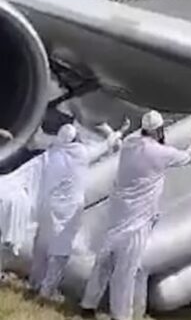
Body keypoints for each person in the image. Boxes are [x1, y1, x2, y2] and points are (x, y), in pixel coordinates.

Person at [80, 110, 191, 320]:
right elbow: (187, 158)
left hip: (117, 216)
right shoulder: (161, 153)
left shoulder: (130, 144)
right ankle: (120, 316)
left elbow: (143, 138)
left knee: (103, 264)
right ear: (158, 131)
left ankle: (88, 305)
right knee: (125, 273)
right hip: (138, 222)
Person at [29, 120, 129, 300]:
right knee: (60, 252)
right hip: (68, 211)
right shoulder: (81, 154)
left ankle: (34, 284)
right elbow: (106, 145)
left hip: (47, 207)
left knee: (41, 248)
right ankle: (47, 291)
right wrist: (120, 132)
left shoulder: (52, 153)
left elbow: (38, 141)